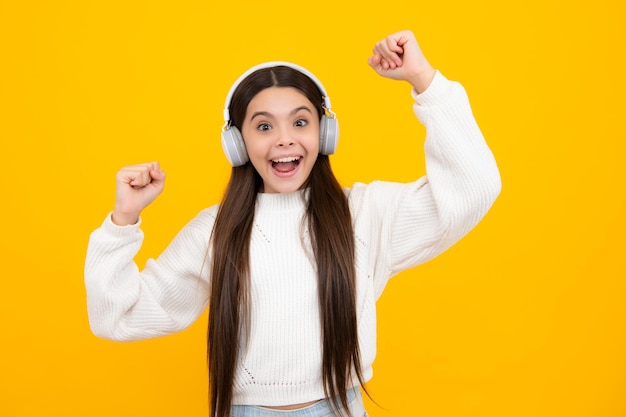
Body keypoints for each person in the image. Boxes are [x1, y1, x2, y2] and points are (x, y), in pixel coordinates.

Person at [84, 30, 501, 417]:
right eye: (264, 126)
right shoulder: (215, 232)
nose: (284, 139)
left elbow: (474, 187)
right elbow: (117, 317)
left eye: (300, 122)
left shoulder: (367, 213)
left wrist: (425, 81)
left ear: (324, 132)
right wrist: (123, 221)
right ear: (237, 143)